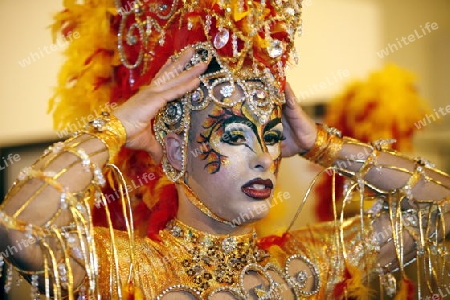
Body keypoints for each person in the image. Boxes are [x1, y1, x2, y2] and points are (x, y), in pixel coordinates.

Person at [1, 0, 450, 299]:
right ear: (176, 154)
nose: (262, 157)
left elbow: (443, 207)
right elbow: (18, 230)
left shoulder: (303, 263)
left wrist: (323, 145)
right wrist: (120, 124)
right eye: (234, 136)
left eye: (271, 137)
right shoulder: (126, 269)